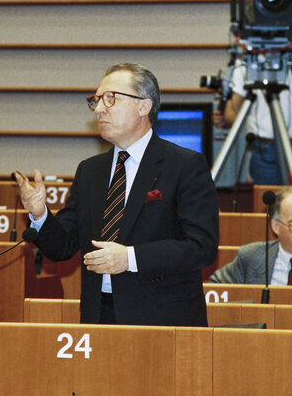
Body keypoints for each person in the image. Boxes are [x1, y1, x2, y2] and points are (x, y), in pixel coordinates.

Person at [15, 63, 219, 326]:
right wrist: (40, 214)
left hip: (162, 319)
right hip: (100, 316)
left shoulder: (184, 165)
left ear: (143, 106)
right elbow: (63, 247)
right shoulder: (90, 170)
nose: (99, 108)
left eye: (110, 98)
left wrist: (130, 258)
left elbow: (201, 247)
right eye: (96, 100)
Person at [213, 48, 292, 185]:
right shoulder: (246, 62)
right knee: (267, 203)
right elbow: (232, 113)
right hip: (264, 149)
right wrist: (224, 120)